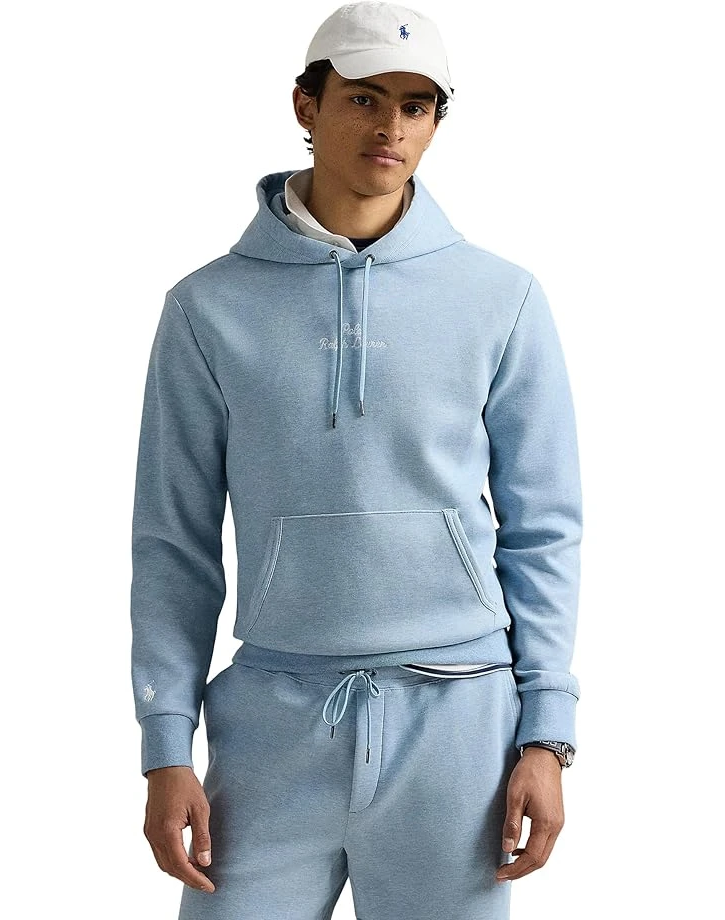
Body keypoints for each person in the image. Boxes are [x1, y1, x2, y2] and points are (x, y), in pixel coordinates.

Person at [130, 3, 583, 918]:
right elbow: (173, 542)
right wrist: (166, 744)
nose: (391, 128)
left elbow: (544, 530)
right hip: (270, 724)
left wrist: (548, 733)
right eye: (365, 98)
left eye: (417, 106)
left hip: (459, 726)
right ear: (307, 104)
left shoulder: (500, 298)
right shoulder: (207, 309)